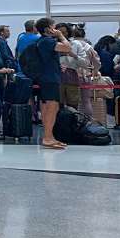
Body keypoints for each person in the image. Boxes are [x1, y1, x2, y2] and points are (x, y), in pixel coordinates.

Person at [34, 17, 74, 150]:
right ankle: (47, 137)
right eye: (54, 27)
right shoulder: (47, 41)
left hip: (47, 77)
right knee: (51, 107)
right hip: (49, 79)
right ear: (48, 29)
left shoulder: (42, 42)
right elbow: (68, 48)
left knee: (49, 107)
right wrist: (61, 35)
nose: (56, 29)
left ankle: (49, 136)